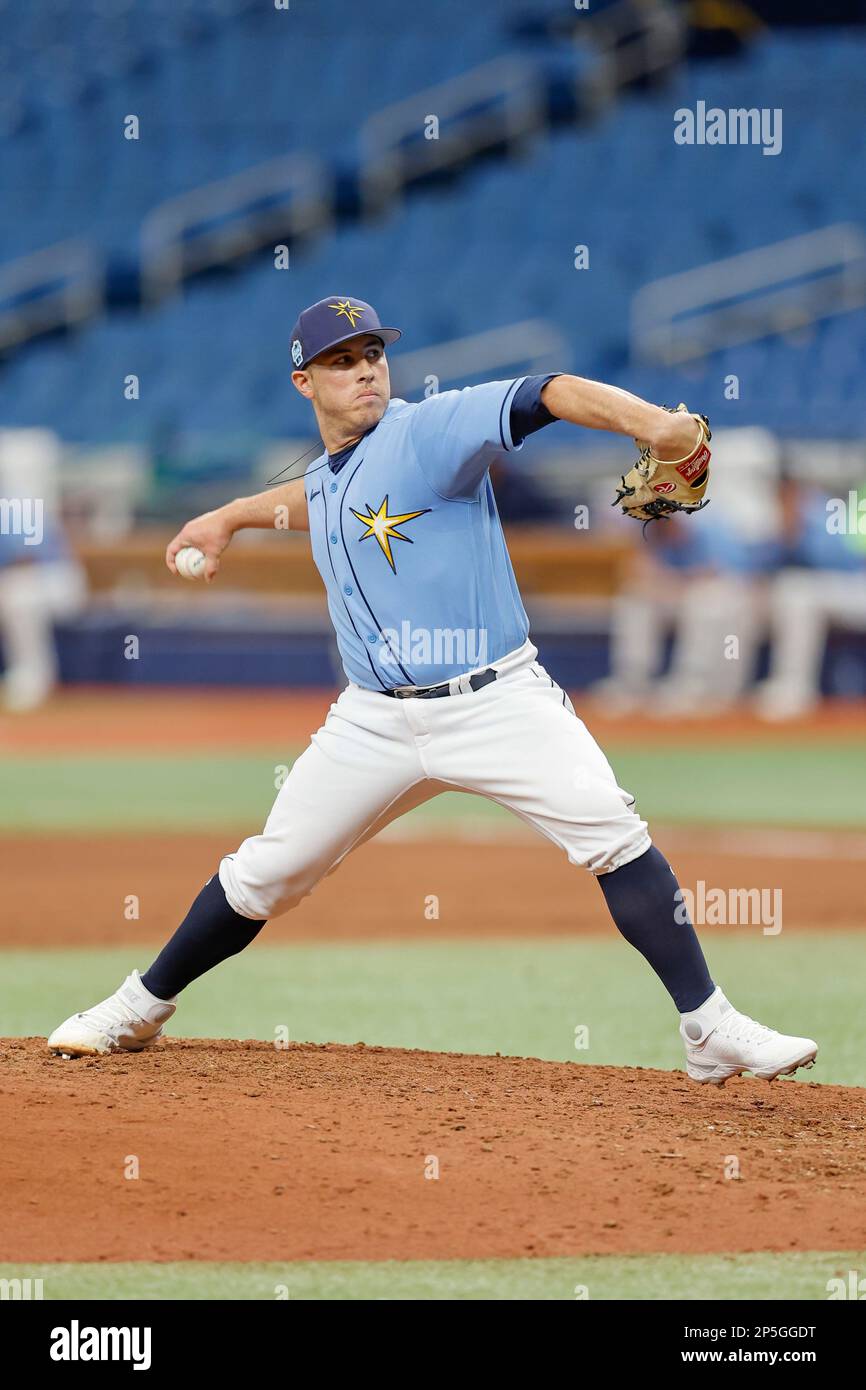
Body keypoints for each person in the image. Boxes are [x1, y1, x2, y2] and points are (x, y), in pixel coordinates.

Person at [47, 296, 817, 1086]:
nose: (366, 371)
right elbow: (311, 501)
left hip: (497, 701)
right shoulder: (328, 475)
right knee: (267, 874)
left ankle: (708, 1026)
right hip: (373, 722)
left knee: (610, 832)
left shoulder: (430, 430)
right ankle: (138, 1007)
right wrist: (228, 517)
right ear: (302, 382)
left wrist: (656, 426)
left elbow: (547, 391)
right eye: (342, 361)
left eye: (373, 354)